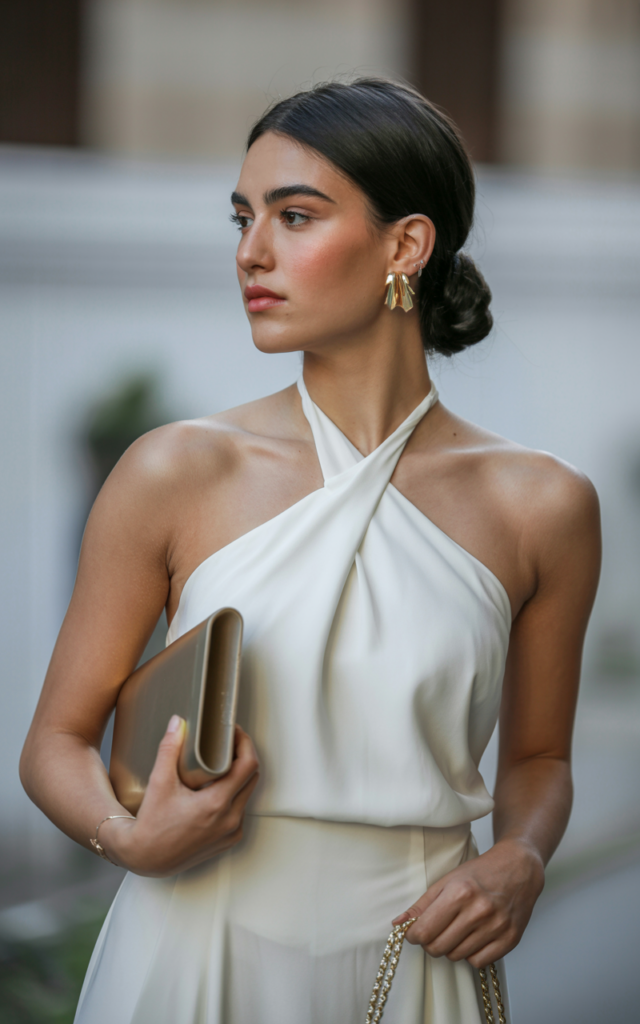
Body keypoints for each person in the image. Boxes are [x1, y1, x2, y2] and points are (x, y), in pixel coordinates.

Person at [20, 78, 601, 1024]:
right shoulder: (174, 471)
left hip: (417, 958)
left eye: (295, 216)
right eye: (243, 216)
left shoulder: (544, 505)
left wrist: (521, 858)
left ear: (405, 246)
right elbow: (54, 742)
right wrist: (128, 839)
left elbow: (539, 755)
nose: (251, 251)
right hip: (194, 947)